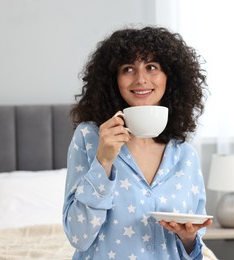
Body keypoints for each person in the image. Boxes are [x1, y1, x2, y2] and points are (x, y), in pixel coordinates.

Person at [63, 26, 212, 260]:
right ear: (114, 79)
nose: (141, 79)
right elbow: (79, 237)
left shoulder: (185, 155)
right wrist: (103, 161)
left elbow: (194, 250)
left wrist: (188, 238)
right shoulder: (90, 138)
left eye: (151, 67)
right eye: (128, 69)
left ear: (169, 77)